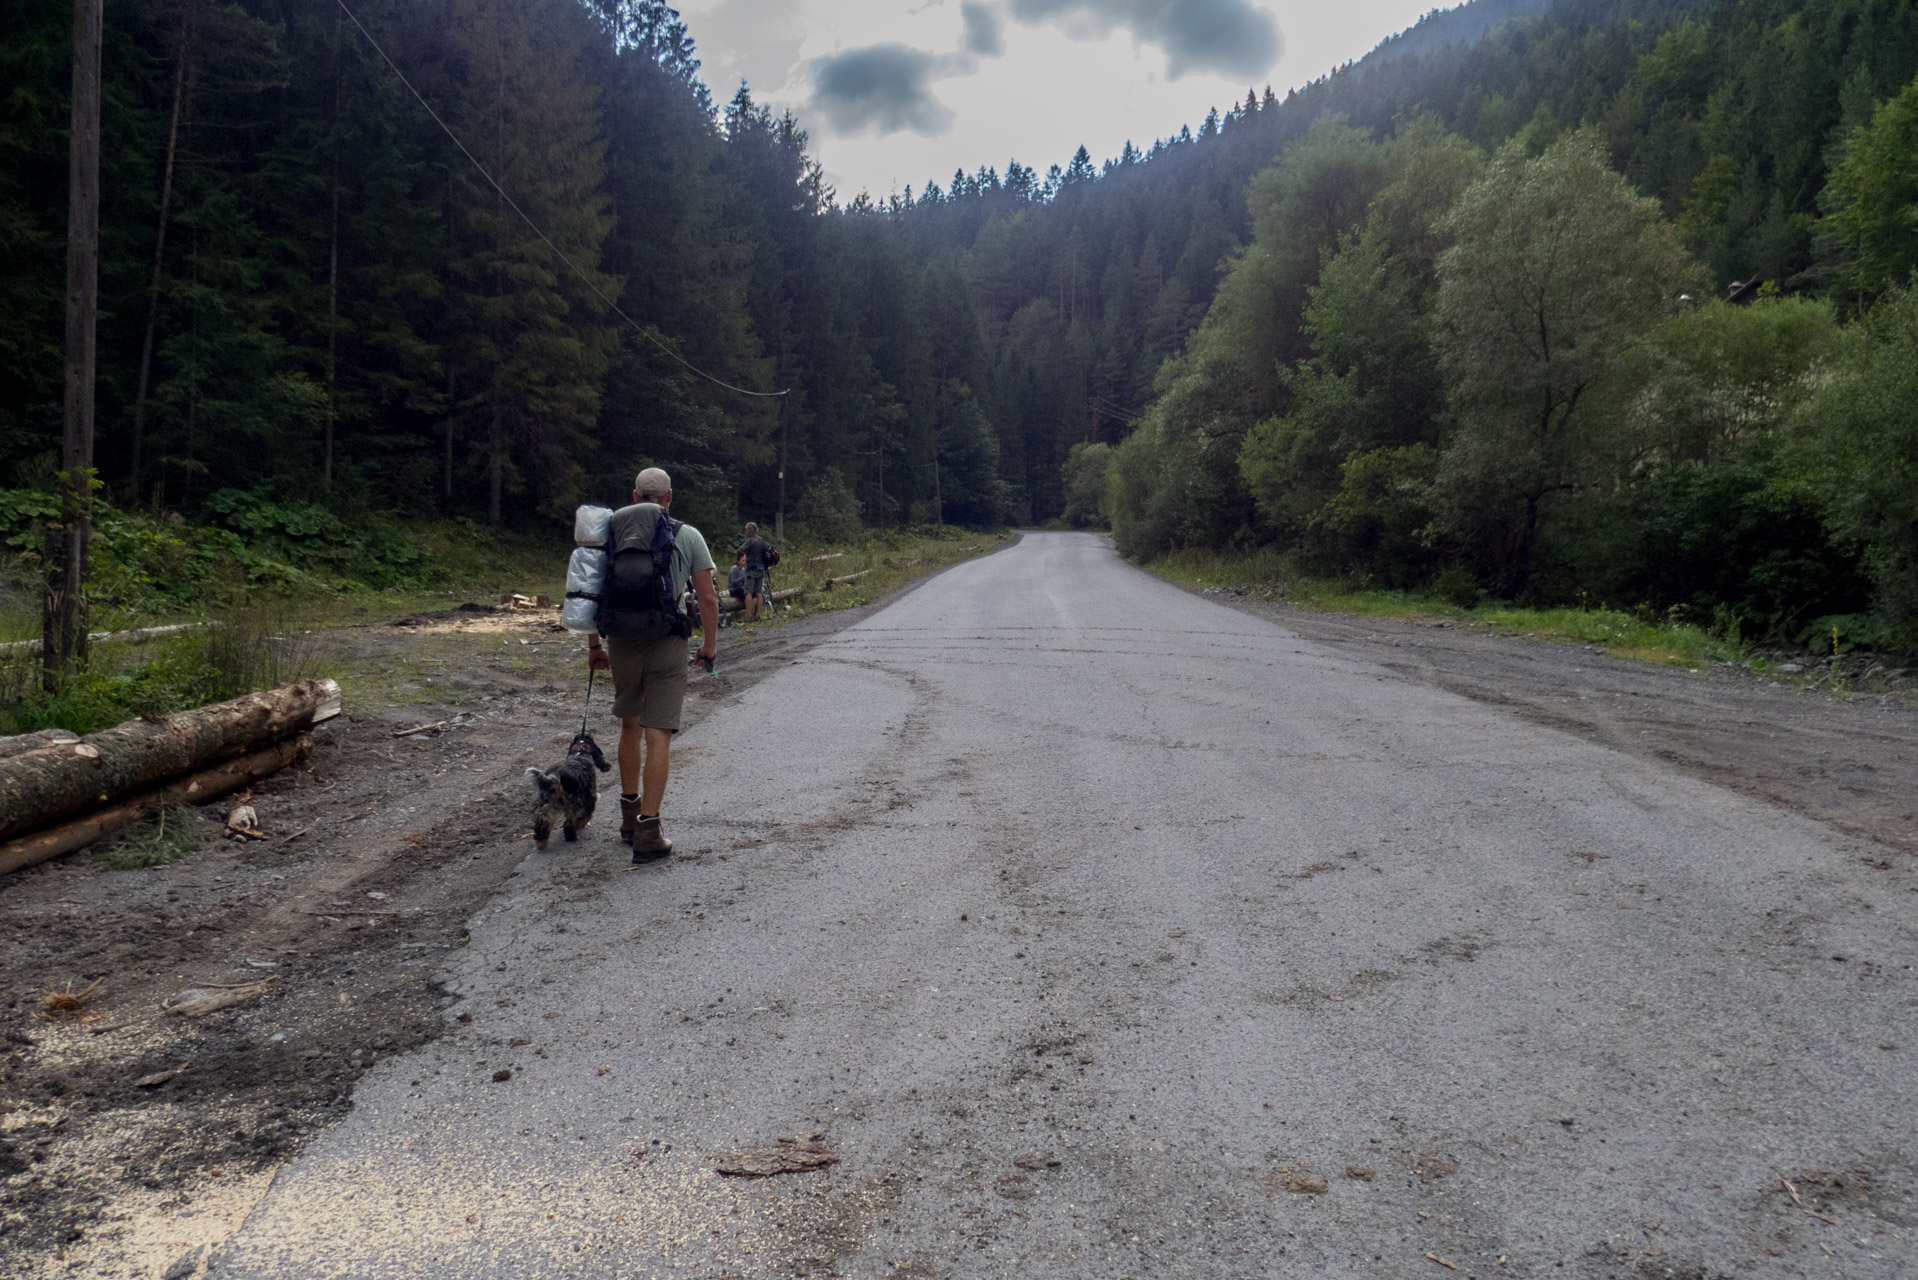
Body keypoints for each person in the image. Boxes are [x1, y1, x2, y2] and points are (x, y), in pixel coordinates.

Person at [586, 467, 718, 864]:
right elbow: (709, 598)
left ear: (635, 494)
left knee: (629, 724)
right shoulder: (687, 534)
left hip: (621, 640)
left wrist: (595, 645)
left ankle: (627, 817)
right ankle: (648, 830)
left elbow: (589, 592)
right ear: (669, 497)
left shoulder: (608, 530)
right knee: (658, 733)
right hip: (668, 640)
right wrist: (709, 647)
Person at [737, 521, 774, 621]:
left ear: (750, 530)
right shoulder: (761, 540)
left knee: (748, 592)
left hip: (751, 570)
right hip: (761, 569)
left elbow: (740, 550)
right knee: (758, 592)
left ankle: (748, 614)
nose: (745, 532)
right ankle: (759, 614)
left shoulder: (750, 541)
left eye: (746, 529)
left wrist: (748, 552)